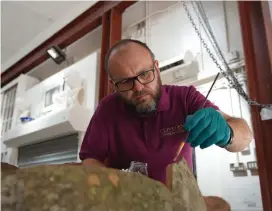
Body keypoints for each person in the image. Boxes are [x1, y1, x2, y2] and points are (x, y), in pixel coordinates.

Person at [79, 39, 252, 185]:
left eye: (145, 74)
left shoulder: (185, 98)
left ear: (156, 67)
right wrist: (117, 188)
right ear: (113, 83)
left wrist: (228, 133)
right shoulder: (107, 110)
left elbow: (244, 136)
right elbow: (91, 159)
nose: (139, 87)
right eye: (125, 81)